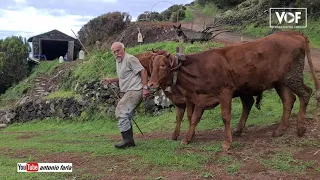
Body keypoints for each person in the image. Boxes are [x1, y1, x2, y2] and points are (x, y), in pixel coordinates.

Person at [104, 42, 149, 149]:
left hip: (135, 90)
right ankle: (129, 140)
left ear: (123, 49)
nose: (116, 53)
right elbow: (124, 77)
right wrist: (111, 80)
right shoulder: (119, 61)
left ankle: (128, 140)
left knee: (121, 111)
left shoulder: (130, 59)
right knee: (125, 113)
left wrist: (145, 88)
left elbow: (143, 71)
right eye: (114, 52)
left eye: (118, 50)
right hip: (129, 91)